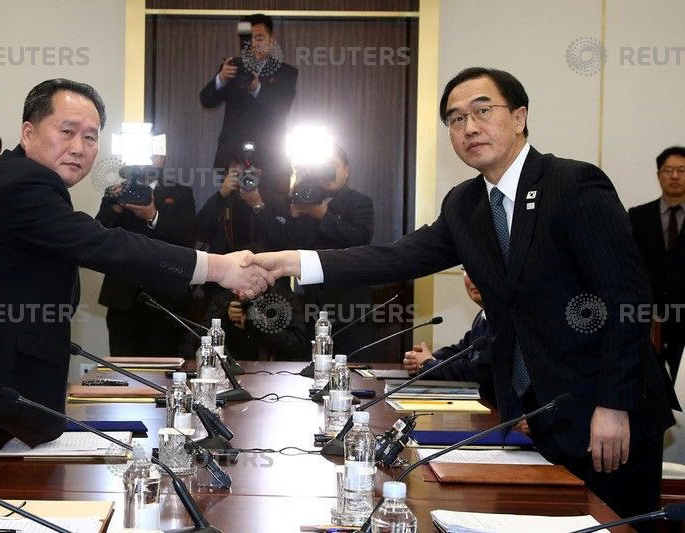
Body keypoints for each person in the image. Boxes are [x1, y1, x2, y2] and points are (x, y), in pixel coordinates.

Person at [251, 67, 675, 527]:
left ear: (519, 117)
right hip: (538, 418)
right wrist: (296, 261)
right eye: (455, 119)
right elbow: (396, 257)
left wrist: (613, 405)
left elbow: (627, 298)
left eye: (482, 111)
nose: (469, 127)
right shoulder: (465, 205)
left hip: (608, 415)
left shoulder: (572, 184)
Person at [0, 78, 272, 516]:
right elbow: (102, 244)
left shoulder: (24, 181)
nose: (79, 147)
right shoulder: (21, 184)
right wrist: (218, 268)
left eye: (91, 137)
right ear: (28, 132)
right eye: (67, 131)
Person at [258, 144, 375, 355]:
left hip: (350, 305)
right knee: (313, 365)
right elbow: (293, 244)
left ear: (346, 170)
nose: (328, 173)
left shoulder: (360, 202)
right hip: (313, 303)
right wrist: (295, 215)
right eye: (323, 168)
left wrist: (322, 215)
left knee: (351, 363)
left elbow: (359, 239)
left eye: (333, 166)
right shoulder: (306, 201)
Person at [96, 160, 198, 356]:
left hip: (165, 299)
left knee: (161, 364)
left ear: (161, 159)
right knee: (123, 364)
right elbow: (97, 238)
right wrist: (115, 208)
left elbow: (187, 239)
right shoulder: (118, 193)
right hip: (123, 298)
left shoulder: (180, 193)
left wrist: (153, 215)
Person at [199, 13, 298, 191]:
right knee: (232, 207)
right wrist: (221, 78)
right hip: (233, 160)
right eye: (248, 39)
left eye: (259, 38)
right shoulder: (232, 68)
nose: (253, 44)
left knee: (269, 206)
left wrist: (256, 87)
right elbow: (206, 100)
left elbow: (281, 109)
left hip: (270, 160)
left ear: (271, 40)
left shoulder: (286, 73)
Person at [629, 146, 685, 382]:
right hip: (649, 321)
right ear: (659, 174)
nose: (675, 176)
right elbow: (630, 266)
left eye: (682, 170)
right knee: (651, 388)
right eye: (668, 170)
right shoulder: (637, 216)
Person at [403, 271, 495, 406]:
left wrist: (428, 364)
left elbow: (479, 370)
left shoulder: (504, 320)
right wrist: (422, 358)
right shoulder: (483, 314)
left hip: (502, 412)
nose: (472, 277)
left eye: (477, 269)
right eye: (467, 269)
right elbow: (461, 349)